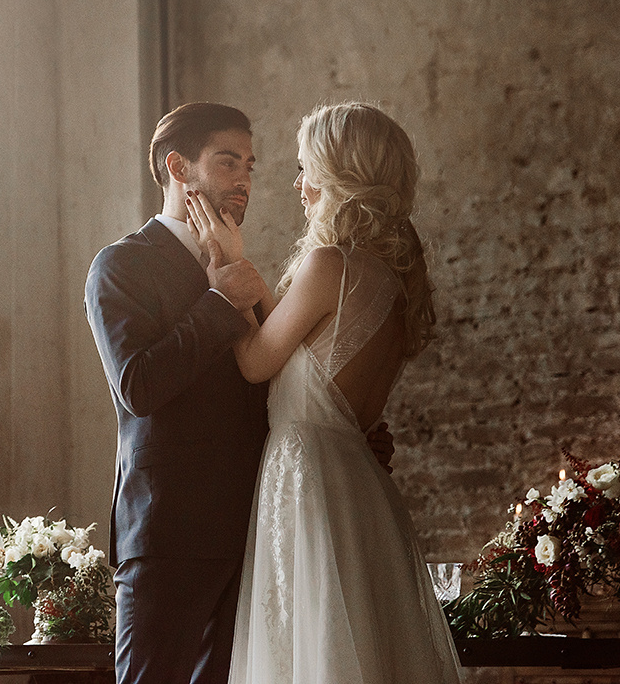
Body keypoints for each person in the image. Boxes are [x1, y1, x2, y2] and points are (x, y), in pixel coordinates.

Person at [84, 102, 394, 684]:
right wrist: (222, 301)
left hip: (258, 533)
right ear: (179, 167)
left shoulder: (248, 270)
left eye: (251, 167)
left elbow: (286, 379)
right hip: (168, 539)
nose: (245, 182)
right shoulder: (120, 266)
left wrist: (350, 430)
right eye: (229, 163)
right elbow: (137, 387)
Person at [187, 101, 461, 684]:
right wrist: (259, 287)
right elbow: (313, 351)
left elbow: (259, 363)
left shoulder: (329, 263)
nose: (297, 184)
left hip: (305, 478)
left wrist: (226, 277)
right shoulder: (392, 279)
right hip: (358, 484)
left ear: (339, 176)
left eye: (306, 166)